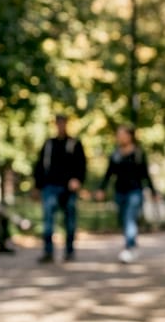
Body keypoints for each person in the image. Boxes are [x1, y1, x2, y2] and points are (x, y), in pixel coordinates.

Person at [96, 125, 158, 263]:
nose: (119, 137)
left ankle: (129, 248)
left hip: (135, 191)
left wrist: (153, 191)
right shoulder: (115, 154)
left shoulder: (138, 153)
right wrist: (101, 189)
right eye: (118, 134)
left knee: (130, 218)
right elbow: (108, 173)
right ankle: (132, 245)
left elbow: (145, 174)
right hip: (120, 191)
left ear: (130, 136)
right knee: (124, 220)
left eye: (122, 134)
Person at [33, 113, 87, 263]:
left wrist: (77, 180)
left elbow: (82, 165)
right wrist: (37, 186)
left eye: (63, 123)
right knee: (48, 220)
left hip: (69, 189)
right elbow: (40, 165)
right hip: (50, 187)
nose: (60, 125)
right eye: (58, 123)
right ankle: (48, 252)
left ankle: (69, 251)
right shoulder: (49, 144)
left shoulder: (74, 143)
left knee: (70, 220)